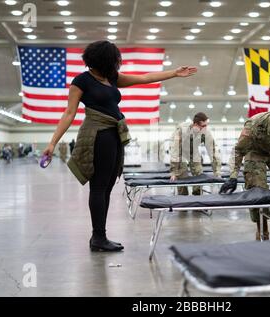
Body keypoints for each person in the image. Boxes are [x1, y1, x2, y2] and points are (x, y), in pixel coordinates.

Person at [42, 40, 197, 252]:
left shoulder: (111, 78)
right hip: (97, 135)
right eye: (115, 59)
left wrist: (173, 73)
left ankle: (100, 236)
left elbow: (144, 78)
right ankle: (98, 237)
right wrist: (52, 143)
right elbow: (69, 113)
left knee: (106, 187)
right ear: (104, 60)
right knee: (98, 186)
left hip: (113, 135)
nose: (117, 63)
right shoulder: (82, 81)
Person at [220, 100, 270, 241]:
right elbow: (239, 151)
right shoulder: (254, 124)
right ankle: (262, 231)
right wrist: (233, 176)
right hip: (255, 153)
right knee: (257, 191)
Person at [169, 112, 222, 196]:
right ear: (195, 125)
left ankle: (197, 197)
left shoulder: (206, 133)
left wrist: (217, 172)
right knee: (181, 173)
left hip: (192, 149)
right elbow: (175, 151)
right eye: (203, 126)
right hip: (179, 149)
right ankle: (183, 199)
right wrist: (174, 172)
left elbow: (213, 152)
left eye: (206, 125)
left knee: (199, 172)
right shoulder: (182, 130)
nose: (205, 128)